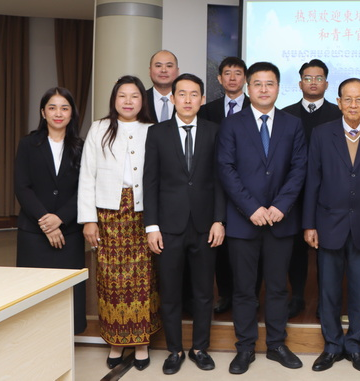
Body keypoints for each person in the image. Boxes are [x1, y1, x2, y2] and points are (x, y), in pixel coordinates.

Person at [217, 62, 308, 375]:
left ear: (279, 87)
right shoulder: (232, 124)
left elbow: (299, 168)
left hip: (281, 220)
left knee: (278, 288)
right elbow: (226, 169)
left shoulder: (293, 124)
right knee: (244, 289)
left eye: (270, 84)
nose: (264, 89)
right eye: (258, 84)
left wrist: (281, 205)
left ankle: (276, 344)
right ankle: (245, 347)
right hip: (244, 222)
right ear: (248, 87)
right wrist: (252, 208)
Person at [303, 78, 360, 373]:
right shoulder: (321, 133)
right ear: (338, 102)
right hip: (328, 223)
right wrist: (309, 224)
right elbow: (312, 180)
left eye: (359, 99)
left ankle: (355, 345)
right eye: (347, 99)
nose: (353, 105)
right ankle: (331, 346)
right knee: (328, 290)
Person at [143, 73, 226, 375]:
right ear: (173, 98)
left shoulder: (215, 131)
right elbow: (150, 182)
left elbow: (220, 180)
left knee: (204, 293)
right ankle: (175, 350)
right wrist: (151, 226)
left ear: (202, 99)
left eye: (194, 94)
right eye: (182, 94)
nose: (188, 100)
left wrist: (219, 220)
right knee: (170, 293)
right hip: (168, 227)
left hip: (205, 226)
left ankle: (200, 348)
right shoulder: (157, 133)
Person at [78, 75, 159, 371]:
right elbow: (87, 174)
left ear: (142, 100)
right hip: (108, 214)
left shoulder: (153, 130)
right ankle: (115, 341)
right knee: (110, 280)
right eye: (122, 95)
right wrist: (89, 219)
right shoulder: (99, 128)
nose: (128, 101)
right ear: (114, 99)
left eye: (134, 96)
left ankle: (141, 343)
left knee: (143, 280)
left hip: (143, 213)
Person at [15, 87, 87, 334]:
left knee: (68, 293)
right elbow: (22, 187)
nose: (58, 113)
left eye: (64, 108)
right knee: (33, 293)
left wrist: (61, 218)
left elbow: (86, 189)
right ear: (43, 112)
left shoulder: (82, 146)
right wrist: (46, 222)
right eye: (52, 107)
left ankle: (66, 341)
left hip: (70, 233)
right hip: (33, 233)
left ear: (72, 113)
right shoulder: (28, 144)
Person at [282, 58, 342, 319]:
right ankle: (297, 296)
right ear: (300, 83)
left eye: (319, 78)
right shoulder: (286, 115)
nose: (313, 82)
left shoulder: (338, 115)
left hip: (328, 194)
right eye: (308, 78)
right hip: (294, 194)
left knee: (327, 250)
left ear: (327, 84)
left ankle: (325, 300)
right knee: (296, 248)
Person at [200, 56, 249, 314]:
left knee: (246, 247)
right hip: (216, 185)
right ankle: (226, 294)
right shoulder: (207, 110)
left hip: (248, 188)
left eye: (237, 73)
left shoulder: (257, 107)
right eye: (227, 73)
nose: (232, 77)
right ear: (219, 79)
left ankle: (249, 295)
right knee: (220, 245)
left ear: (245, 79)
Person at [146, 50, 180, 123]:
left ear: (177, 71)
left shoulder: (185, 100)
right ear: (150, 71)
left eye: (169, 66)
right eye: (158, 66)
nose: (163, 70)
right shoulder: (140, 99)